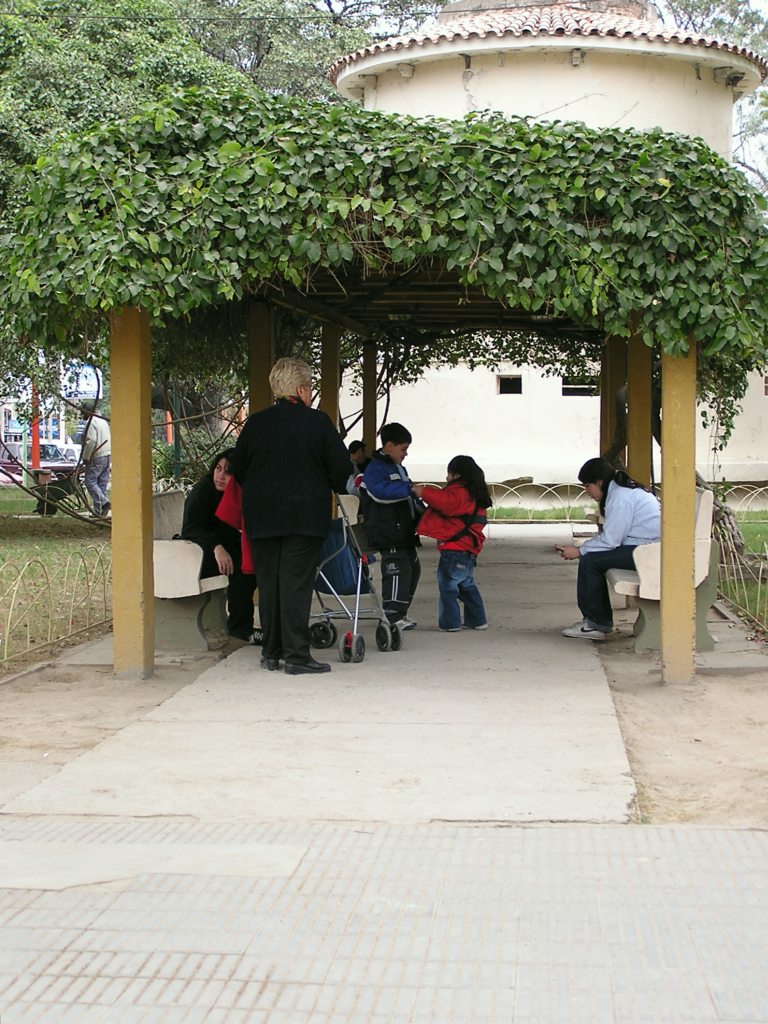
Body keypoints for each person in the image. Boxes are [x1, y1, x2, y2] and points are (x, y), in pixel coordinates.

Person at [233, 357, 351, 675]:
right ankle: (297, 656)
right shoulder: (317, 423)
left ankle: (271, 652)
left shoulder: (256, 424)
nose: (311, 392)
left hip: (262, 516)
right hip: (303, 516)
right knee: (295, 584)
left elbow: (238, 467)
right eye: (310, 387)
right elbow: (340, 470)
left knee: (269, 584)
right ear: (300, 389)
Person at [555, 457, 661, 640]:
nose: (587, 492)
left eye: (588, 486)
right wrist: (583, 548)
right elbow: (612, 538)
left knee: (590, 562)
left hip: (648, 552)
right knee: (592, 557)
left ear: (599, 482)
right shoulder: (621, 493)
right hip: (646, 548)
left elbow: (611, 540)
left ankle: (596, 624)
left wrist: (579, 551)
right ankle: (595, 620)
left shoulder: (620, 498)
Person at [181, 449, 261, 644]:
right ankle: (240, 629)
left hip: (223, 550)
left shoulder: (237, 493)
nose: (221, 476)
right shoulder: (204, 491)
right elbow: (190, 529)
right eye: (218, 468)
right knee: (243, 571)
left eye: (228, 472)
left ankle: (256, 626)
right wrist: (216, 547)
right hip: (196, 555)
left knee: (256, 564)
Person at [413, 455, 491, 632]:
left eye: (449, 474)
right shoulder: (475, 494)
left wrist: (422, 491)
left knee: (448, 587)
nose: (446, 478)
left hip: (454, 550)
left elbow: (445, 502)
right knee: (466, 586)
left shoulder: (459, 493)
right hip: (468, 550)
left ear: (456, 475)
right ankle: (478, 620)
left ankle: (451, 623)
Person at [360, 422, 422, 631]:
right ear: (388, 447)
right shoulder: (375, 469)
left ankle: (400, 611)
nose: (405, 454)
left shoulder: (398, 468)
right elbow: (380, 493)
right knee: (397, 570)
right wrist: (409, 489)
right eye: (403, 449)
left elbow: (408, 496)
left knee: (413, 568)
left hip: (402, 530)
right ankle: (391, 616)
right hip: (387, 531)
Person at [80, 403, 111, 517]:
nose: (81, 415)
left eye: (83, 412)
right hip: (107, 455)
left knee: (90, 482)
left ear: (88, 411)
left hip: (97, 455)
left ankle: (104, 502)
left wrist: (86, 457)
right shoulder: (102, 421)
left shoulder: (91, 422)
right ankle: (100, 512)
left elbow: (91, 440)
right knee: (101, 484)